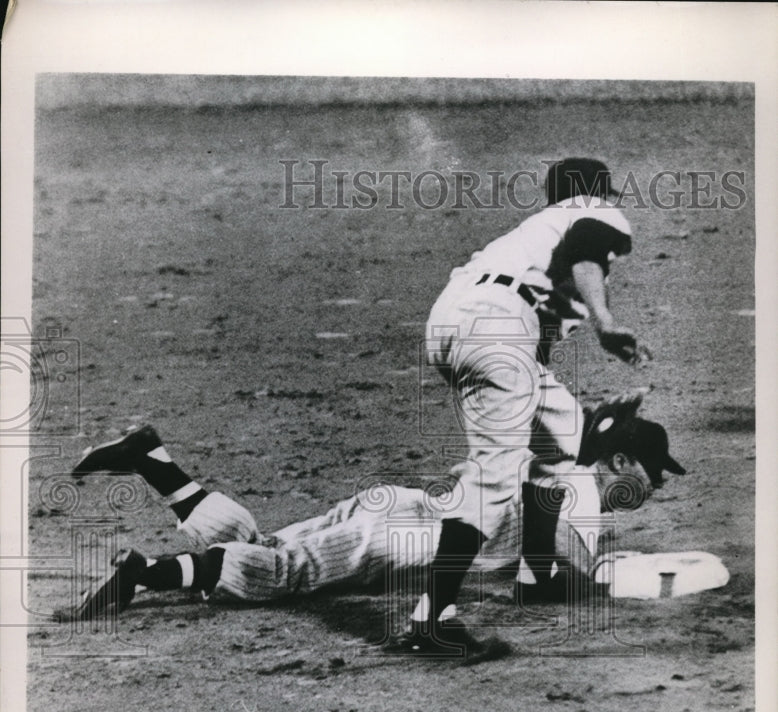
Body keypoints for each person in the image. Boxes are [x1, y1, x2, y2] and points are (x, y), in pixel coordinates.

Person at [65, 394, 684, 659]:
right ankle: (142, 573)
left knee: (270, 548)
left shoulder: (561, 463)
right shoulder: (579, 493)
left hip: (395, 507)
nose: (654, 488)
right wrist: (600, 585)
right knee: (279, 572)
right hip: (405, 539)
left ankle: (152, 458)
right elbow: (541, 577)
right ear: (621, 463)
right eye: (652, 474)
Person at [402, 156, 652, 652]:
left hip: (460, 323)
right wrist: (604, 323)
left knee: (561, 443)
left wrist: (589, 429)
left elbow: (535, 358)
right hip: (495, 329)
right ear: (602, 194)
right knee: (493, 479)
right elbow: (587, 245)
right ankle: (430, 619)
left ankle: (539, 575)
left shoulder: (532, 234)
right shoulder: (593, 213)